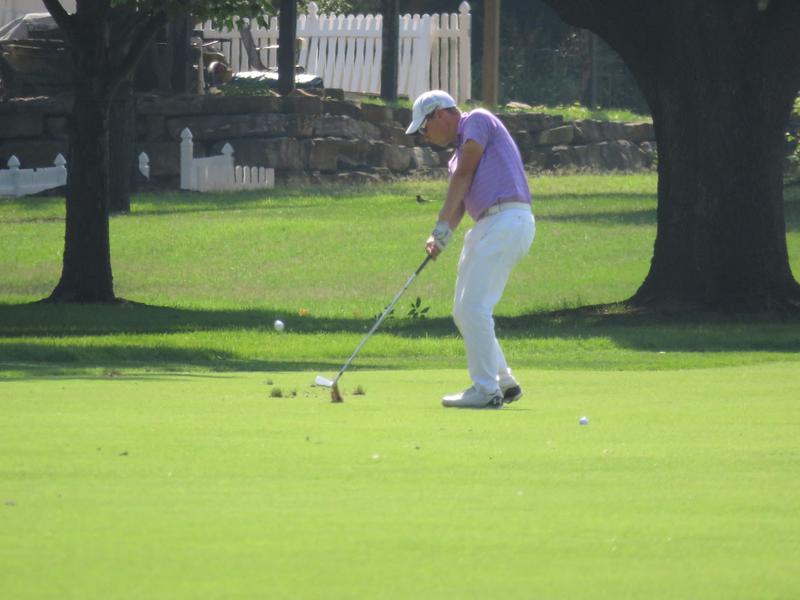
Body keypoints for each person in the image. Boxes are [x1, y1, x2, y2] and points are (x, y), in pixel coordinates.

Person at [405, 90, 535, 409]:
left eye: (424, 127)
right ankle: (503, 382)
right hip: (488, 225)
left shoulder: (476, 120)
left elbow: (465, 174)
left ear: (439, 114)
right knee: (464, 312)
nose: (424, 136)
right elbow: (460, 200)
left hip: (507, 219)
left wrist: (440, 226)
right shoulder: (455, 159)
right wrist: (441, 237)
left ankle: (485, 390)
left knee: (475, 307)